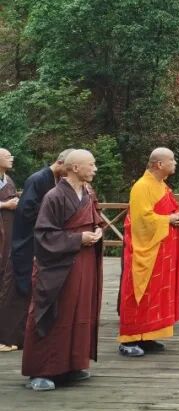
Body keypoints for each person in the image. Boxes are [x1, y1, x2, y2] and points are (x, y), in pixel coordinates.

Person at [21, 149, 105, 391]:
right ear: (75, 168)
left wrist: (98, 231)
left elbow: (96, 218)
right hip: (60, 267)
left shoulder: (88, 192)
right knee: (55, 312)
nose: (95, 168)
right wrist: (77, 239)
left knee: (79, 312)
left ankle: (72, 364)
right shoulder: (54, 196)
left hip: (85, 263)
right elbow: (44, 235)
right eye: (91, 164)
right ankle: (42, 371)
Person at [118, 147, 179, 357]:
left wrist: (175, 216)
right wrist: (168, 219)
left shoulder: (161, 185)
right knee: (139, 291)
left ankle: (147, 335)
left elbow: (166, 210)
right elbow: (141, 221)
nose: (175, 163)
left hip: (160, 249)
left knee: (155, 292)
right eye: (172, 160)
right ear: (159, 164)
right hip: (145, 249)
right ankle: (129, 339)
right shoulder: (141, 186)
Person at [3, 150, 69, 350]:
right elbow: (27, 210)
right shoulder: (38, 179)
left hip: (37, 240)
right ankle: (7, 337)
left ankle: (22, 336)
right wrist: (53, 208)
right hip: (24, 240)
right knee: (15, 288)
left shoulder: (54, 179)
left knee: (30, 288)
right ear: (60, 162)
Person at [0, 148, 21, 351]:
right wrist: (5, 205)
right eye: (7, 156)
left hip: (8, 235)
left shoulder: (8, 180)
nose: (11, 158)